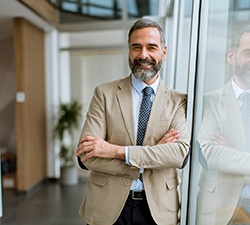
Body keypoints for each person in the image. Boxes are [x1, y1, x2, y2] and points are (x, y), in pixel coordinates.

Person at [76, 18, 190, 225]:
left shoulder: (178, 101)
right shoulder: (104, 94)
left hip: (158, 210)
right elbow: (86, 156)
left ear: (164, 52)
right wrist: (153, 155)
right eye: (136, 47)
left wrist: (116, 151)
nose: (143, 55)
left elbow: (179, 155)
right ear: (129, 51)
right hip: (107, 207)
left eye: (151, 47)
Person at [197, 25, 250, 225]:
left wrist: (232, 152)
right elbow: (209, 154)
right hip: (223, 209)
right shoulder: (209, 102)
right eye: (248, 53)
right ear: (231, 56)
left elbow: (224, 157)